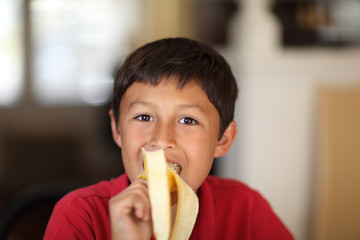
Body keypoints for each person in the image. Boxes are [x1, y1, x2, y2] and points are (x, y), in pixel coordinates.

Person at [43, 37, 294, 239]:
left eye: (188, 120)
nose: (162, 140)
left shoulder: (246, 210)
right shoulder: (80, 216)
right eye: (143, 117)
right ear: (117, 129)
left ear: (223, 140)